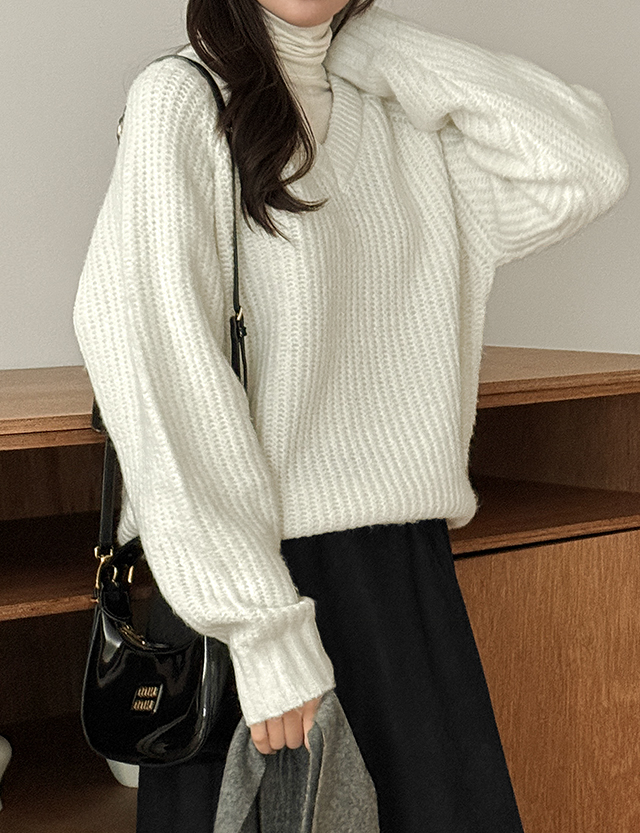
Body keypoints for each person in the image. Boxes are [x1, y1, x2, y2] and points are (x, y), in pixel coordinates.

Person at [73, 0, 629, 830]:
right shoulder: (184, 100)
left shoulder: (404, 122)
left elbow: (585, 165)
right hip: (259, 580)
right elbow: (154, 364)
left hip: (406, 576)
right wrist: (262, 630)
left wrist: (366, 41)